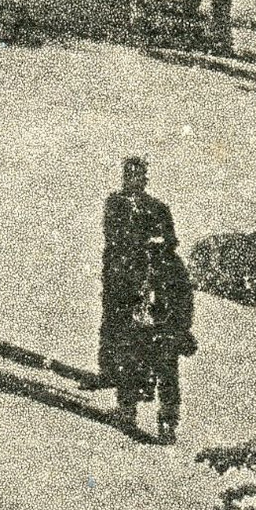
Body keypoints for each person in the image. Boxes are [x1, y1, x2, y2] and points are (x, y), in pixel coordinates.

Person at [98, 159, 181, 427]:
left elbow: (170, 242)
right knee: (123, 341)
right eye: (129, 174)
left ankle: (156, 415)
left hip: (150, 297)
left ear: (145, 178)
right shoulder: (115, 203)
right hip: (122, 282)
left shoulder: (157, 209)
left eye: (138, 175)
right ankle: (126, 402)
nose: (134, 179)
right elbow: (113, 239)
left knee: (146, 352)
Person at [131, 236, 197, 443]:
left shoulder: (173, 267)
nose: (153, 250)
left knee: (167, 377)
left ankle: (167, 424)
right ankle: (139, 406)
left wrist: (179, 328)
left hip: (165, 330)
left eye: (156, 247)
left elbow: (184, 303)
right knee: (152, 371)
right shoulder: (145, 264)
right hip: (148, 328)